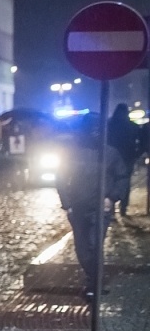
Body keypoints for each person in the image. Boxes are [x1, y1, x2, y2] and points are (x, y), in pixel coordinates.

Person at [58, 126, 129, 296]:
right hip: (79, 207)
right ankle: (94, 278)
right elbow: (61, 177)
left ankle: (95, 283)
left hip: (100, 209)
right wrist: (67, 204)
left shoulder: (110, 153)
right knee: (82, 249)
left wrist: (111, 197)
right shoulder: (73, 153)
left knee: (94, 245)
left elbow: (122, 177)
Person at [107, 104, 141, 217]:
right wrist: (137, 154)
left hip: (112, 157)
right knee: (125, 182)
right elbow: (139, 142)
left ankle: (111, 208)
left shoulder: (109, 124)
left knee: (110, 182)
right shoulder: (133, 126)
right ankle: (123, 207)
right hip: (127, 158)